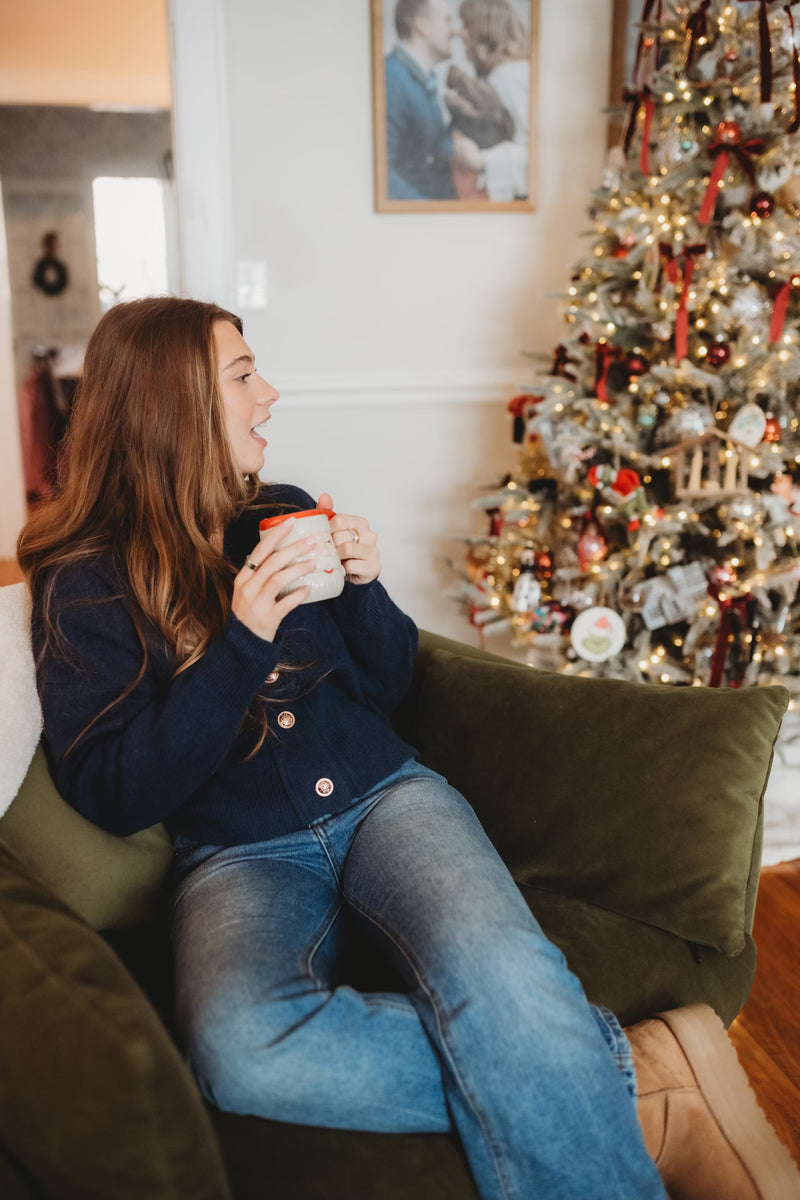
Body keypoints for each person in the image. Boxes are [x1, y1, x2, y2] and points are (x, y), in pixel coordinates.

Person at [18, 296, 798, 1200]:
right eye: (242, 376)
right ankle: (636, 1071)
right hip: (237, 858)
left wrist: (364, 589)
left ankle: (569, 1075)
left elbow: (387, 689)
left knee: (503, 978)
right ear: (173, 401)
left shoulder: (281, 512)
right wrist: (241, 640)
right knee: (238, 1052)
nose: (268, 394)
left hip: (388, 799)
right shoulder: (83, 584)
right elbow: (112, 791)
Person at [385, 0, 480, 200]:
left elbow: (426, 152)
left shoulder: (422, 82)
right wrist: (431, 215)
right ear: (421, 25)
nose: (455, 31)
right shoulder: (391, 78)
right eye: (447, 20)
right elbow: (383, 173)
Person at [450, 0, 531, 202]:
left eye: (467, 26)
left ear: (486, 31)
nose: (461, 34)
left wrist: (480, 161)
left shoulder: (507, 78)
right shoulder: (513, 73)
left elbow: (540, 157)